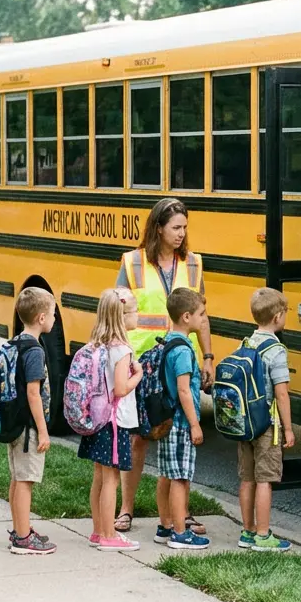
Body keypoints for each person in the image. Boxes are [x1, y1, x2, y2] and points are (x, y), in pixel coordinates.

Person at [114, 197, 214, 536]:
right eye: (176, 228)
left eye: (185, 228)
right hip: (144, 363)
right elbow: (119, 311)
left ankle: (178, 514)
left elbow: (202, 316)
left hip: (180, 365)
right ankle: (126, 509)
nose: (182, 234)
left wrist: (209, 356)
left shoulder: (194, 263)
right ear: (159, 227)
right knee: (139, 438)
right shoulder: (132, 262)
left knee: (178, 435)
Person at [79, 288, 142, 552]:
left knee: (99, 476)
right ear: (122, 315)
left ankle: (97, 530)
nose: (138, 315)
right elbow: (119, 389)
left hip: (97, 417)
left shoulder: (98, 343)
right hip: (115, 422)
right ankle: (108, 533)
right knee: (112, 479)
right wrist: (137, 375)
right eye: (135, 311)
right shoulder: (122, 349)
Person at [237, 288, 295, 553]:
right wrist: (289, 429)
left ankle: (247, 531)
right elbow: (281, 394)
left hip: (245, 422)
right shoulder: (276, 350)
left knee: (247, 478)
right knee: (265, 479)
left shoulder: (245, 343)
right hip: (267, 425)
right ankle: (263, 535)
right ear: (278, 317)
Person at [154, 287, 210, 550]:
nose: (203, 319)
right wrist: (195, 424)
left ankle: (165, 525)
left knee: (167, 474)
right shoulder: (184, 351)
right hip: (181, 423)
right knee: (180, 478)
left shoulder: (168, 342)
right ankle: (179, 532)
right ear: (186, 317)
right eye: (201, 314)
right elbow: (185, 390)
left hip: (168, 422)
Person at [8, 287, 58, 555]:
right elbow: (33, 393)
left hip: (16, 423)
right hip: (28, 429)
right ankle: (24, 538)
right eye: (52, 314)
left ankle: (19, 529)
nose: (54, 319)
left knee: (17, 478)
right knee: (26, 480)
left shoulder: (15, 342)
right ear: (41, 318)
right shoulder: (35, 351)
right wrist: (43, 430)